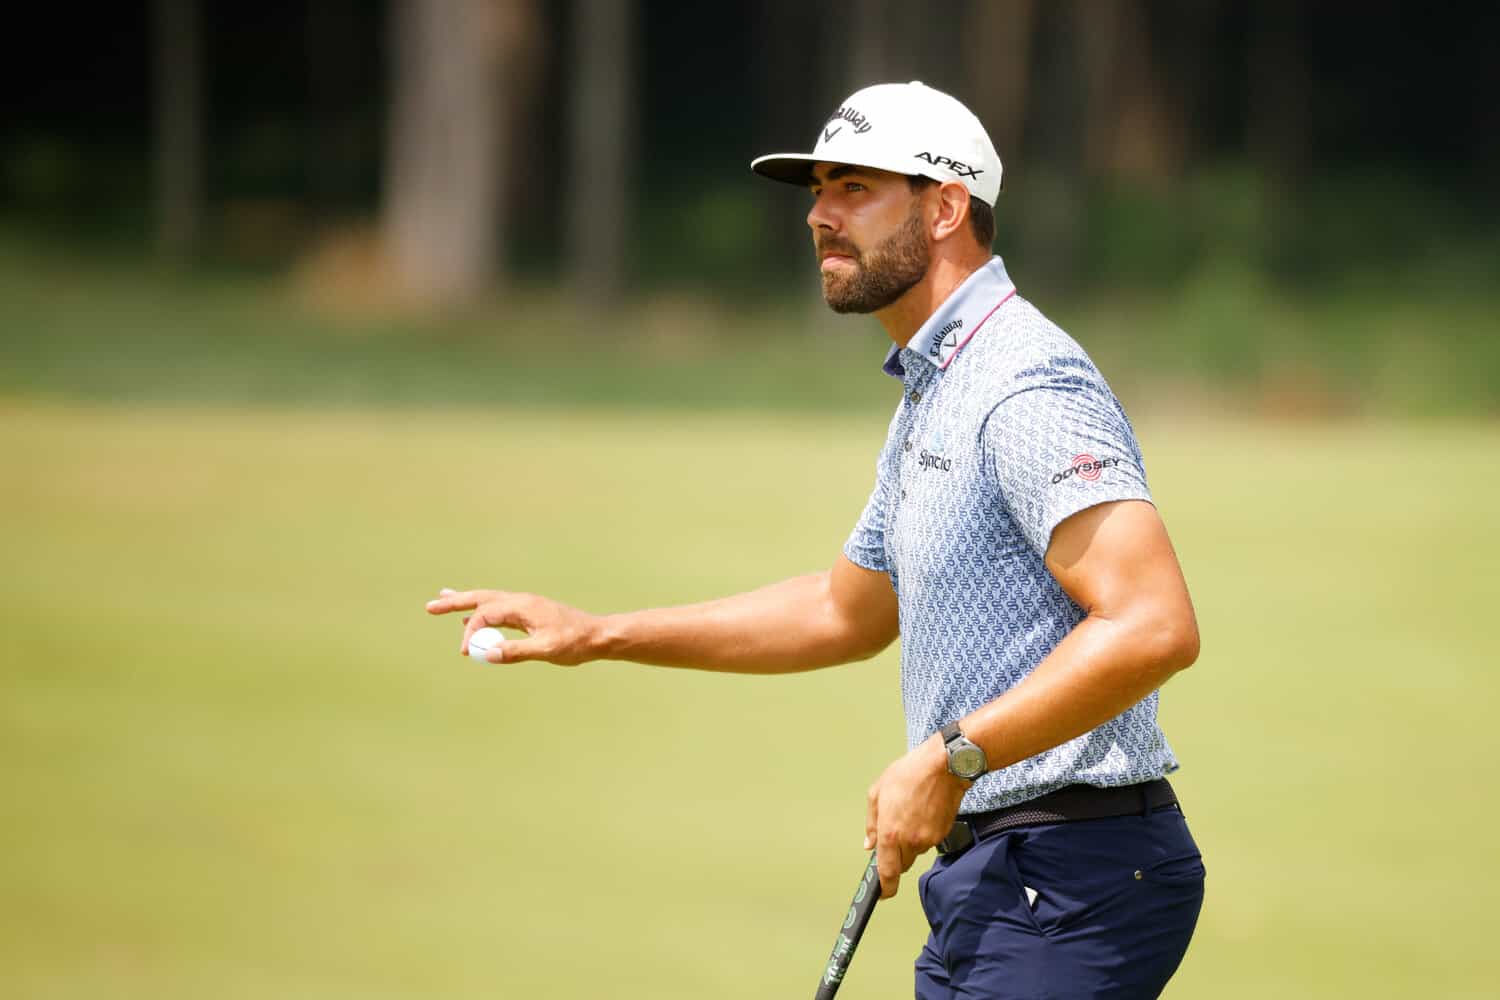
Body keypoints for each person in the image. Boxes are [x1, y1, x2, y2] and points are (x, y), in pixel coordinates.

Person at [426, 81, 1205, 999]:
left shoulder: (1024, 381)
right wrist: (599, 633)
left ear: (946, 208)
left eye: (854, 189)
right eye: (818, 192)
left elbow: (1153, 624)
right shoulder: (938, 387)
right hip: (999, 879)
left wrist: (953, 755)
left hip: (1075, 878)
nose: (819, 217)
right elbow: (846, 611)